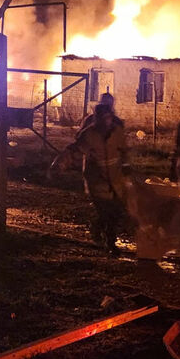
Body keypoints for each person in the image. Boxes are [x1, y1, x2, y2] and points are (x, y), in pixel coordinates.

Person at [64, 100, 130, 255]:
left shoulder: (116, 131)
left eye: (108, 118)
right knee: (106, 210)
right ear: (97, 119)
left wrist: (126, 168)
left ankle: (97, 229)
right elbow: (75, 151)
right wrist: (59, 166)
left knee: (116, 210)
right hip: (97, 179)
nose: (106, 121)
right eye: (103, 118)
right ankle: (110, 243)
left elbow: (124, 150)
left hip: (115, 178)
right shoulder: (89, 134)